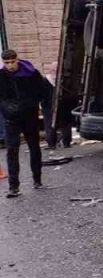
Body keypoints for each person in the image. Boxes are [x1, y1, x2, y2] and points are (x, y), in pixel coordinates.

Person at [0, 48, 52, 198]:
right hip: (11, 119)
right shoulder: (1, 76)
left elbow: (44, 92)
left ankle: (37, 180)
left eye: (12, 62)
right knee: (12, 151)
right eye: (7, 63)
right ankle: (13, 186)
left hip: (29, 116)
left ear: (17, 59)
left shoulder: (31, 73)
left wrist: (34, 104)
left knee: (34, 148)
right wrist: (6, 107)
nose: (10, 65)